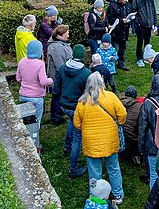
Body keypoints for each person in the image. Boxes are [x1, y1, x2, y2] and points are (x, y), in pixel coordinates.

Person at [74, 72, 127, 205]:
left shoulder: (82, 101)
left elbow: (77, 123)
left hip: (91, 143)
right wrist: (119, 123)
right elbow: (122, 114)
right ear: (102, 83)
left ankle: (95, 196)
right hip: (110, 140)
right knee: (113, 168)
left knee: (94, 171)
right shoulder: (111, 97)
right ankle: (118, 194)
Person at [51, 43, 91, 178]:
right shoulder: (86, 73)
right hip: (77, 108)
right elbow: (87, 94)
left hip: (64, 105)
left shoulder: (62, 68)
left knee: (71, 122)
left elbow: (56, 88)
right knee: (77, 139)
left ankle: (66, 148)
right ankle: (73, 169)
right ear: (83, 56)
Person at [16, 40, 53, 152]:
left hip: (23, 95)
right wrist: (51, 81)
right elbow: (43, 81)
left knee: (25, 120)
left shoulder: (22, 61)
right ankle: (35, 144)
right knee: (36, 121)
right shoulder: (40, 64)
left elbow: (18, 78)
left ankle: (24, 141)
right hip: (36, 97)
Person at [47, 26, 73, 125]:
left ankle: (59, 111)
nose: (68, 36)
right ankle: (55, 118)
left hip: (60, 75)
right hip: (57, 76)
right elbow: (60, 65)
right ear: (59, 35)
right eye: (66, 34)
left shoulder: (60, 44)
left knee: (59, 95)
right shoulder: (56, 47)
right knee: (56, 95)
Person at [106, 0, 132, 70]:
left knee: (122, 48)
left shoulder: (127, 5)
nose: (126, 0)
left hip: (124, 30)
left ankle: (121, 63)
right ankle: (111, 64)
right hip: (116, 31)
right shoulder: (112, 5)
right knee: (113, 49)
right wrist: (121, 20)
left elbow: (129, 12)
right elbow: (109, 18)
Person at [132, 0, 157, 67]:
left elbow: (153, 11)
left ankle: (147, 57)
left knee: (147, 41)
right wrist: (137, 22)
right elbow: (133, 12)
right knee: (140, 41)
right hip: (141, 25)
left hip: (149, 24)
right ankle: (139, 58)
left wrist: (155, 23)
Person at [119, 86, 143, 164]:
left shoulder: (116, 103)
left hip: (117, 138)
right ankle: (135, 153)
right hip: (133, 140)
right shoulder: (140, 107)